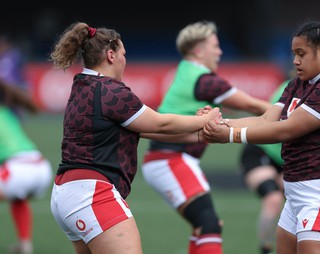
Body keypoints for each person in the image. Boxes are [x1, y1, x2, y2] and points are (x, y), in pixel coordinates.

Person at [48, 22, 222, 254]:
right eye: (123, 54)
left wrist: (198, 134)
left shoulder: (82, 84)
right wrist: (203, 120)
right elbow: (160, 122)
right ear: (111, 55)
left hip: (66, 194)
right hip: (91, 194)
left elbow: (145, 129)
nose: (124, 60)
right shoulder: (111, 91)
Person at [203, 20, 320, 254]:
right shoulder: (298, 83)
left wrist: (229, 135)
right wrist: (218, 123)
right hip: (296, 191)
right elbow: (266, 120)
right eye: (293, 54)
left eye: (301, 53)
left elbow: (286, 129)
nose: (295, 61)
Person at [140, 20, 270, 254]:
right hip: (170, 160)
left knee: (206, 226)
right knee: (209, 225)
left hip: (167, 159)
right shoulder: (204, 79)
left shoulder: (186, 70)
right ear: (199, 50)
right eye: (215, 45)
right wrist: (291, 112)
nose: (219, 51)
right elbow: (251, 105)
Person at [0, 81, 53, 254]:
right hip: (41, 168)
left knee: (14, 190)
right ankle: (25, 245)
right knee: (18, 198)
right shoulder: (6, 112)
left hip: (18, 170)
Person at [239, 79, 288, 254]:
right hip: (261, 151)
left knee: (298, 199)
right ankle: (265, 250)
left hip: (287, 158)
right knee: (273, 199)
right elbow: (270, 119)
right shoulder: (289, 88)